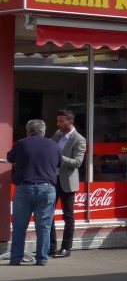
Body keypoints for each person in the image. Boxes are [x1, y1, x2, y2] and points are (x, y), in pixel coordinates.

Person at [7, 119, 62, 266]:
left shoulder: (21, 143)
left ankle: (16, 258)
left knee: (19, 225)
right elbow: (59, 164)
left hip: (24, 187)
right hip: (47, 188)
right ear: (44, 131)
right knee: (44, 226)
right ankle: (42, 258)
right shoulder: (54, 146)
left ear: (28, 131)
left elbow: (9, 158)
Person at [48, 109, 86, 258]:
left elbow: (77, 162)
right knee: (48, 213)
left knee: (68, 215)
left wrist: (59, 157)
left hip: (67, 182)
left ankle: (66, 248)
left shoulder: (79, 139)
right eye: (57, 121)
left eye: (61, 121)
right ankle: (51, 247)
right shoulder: (57, 134)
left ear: (70, 122)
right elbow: (49, 148)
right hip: (52, 179)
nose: (58, 124)